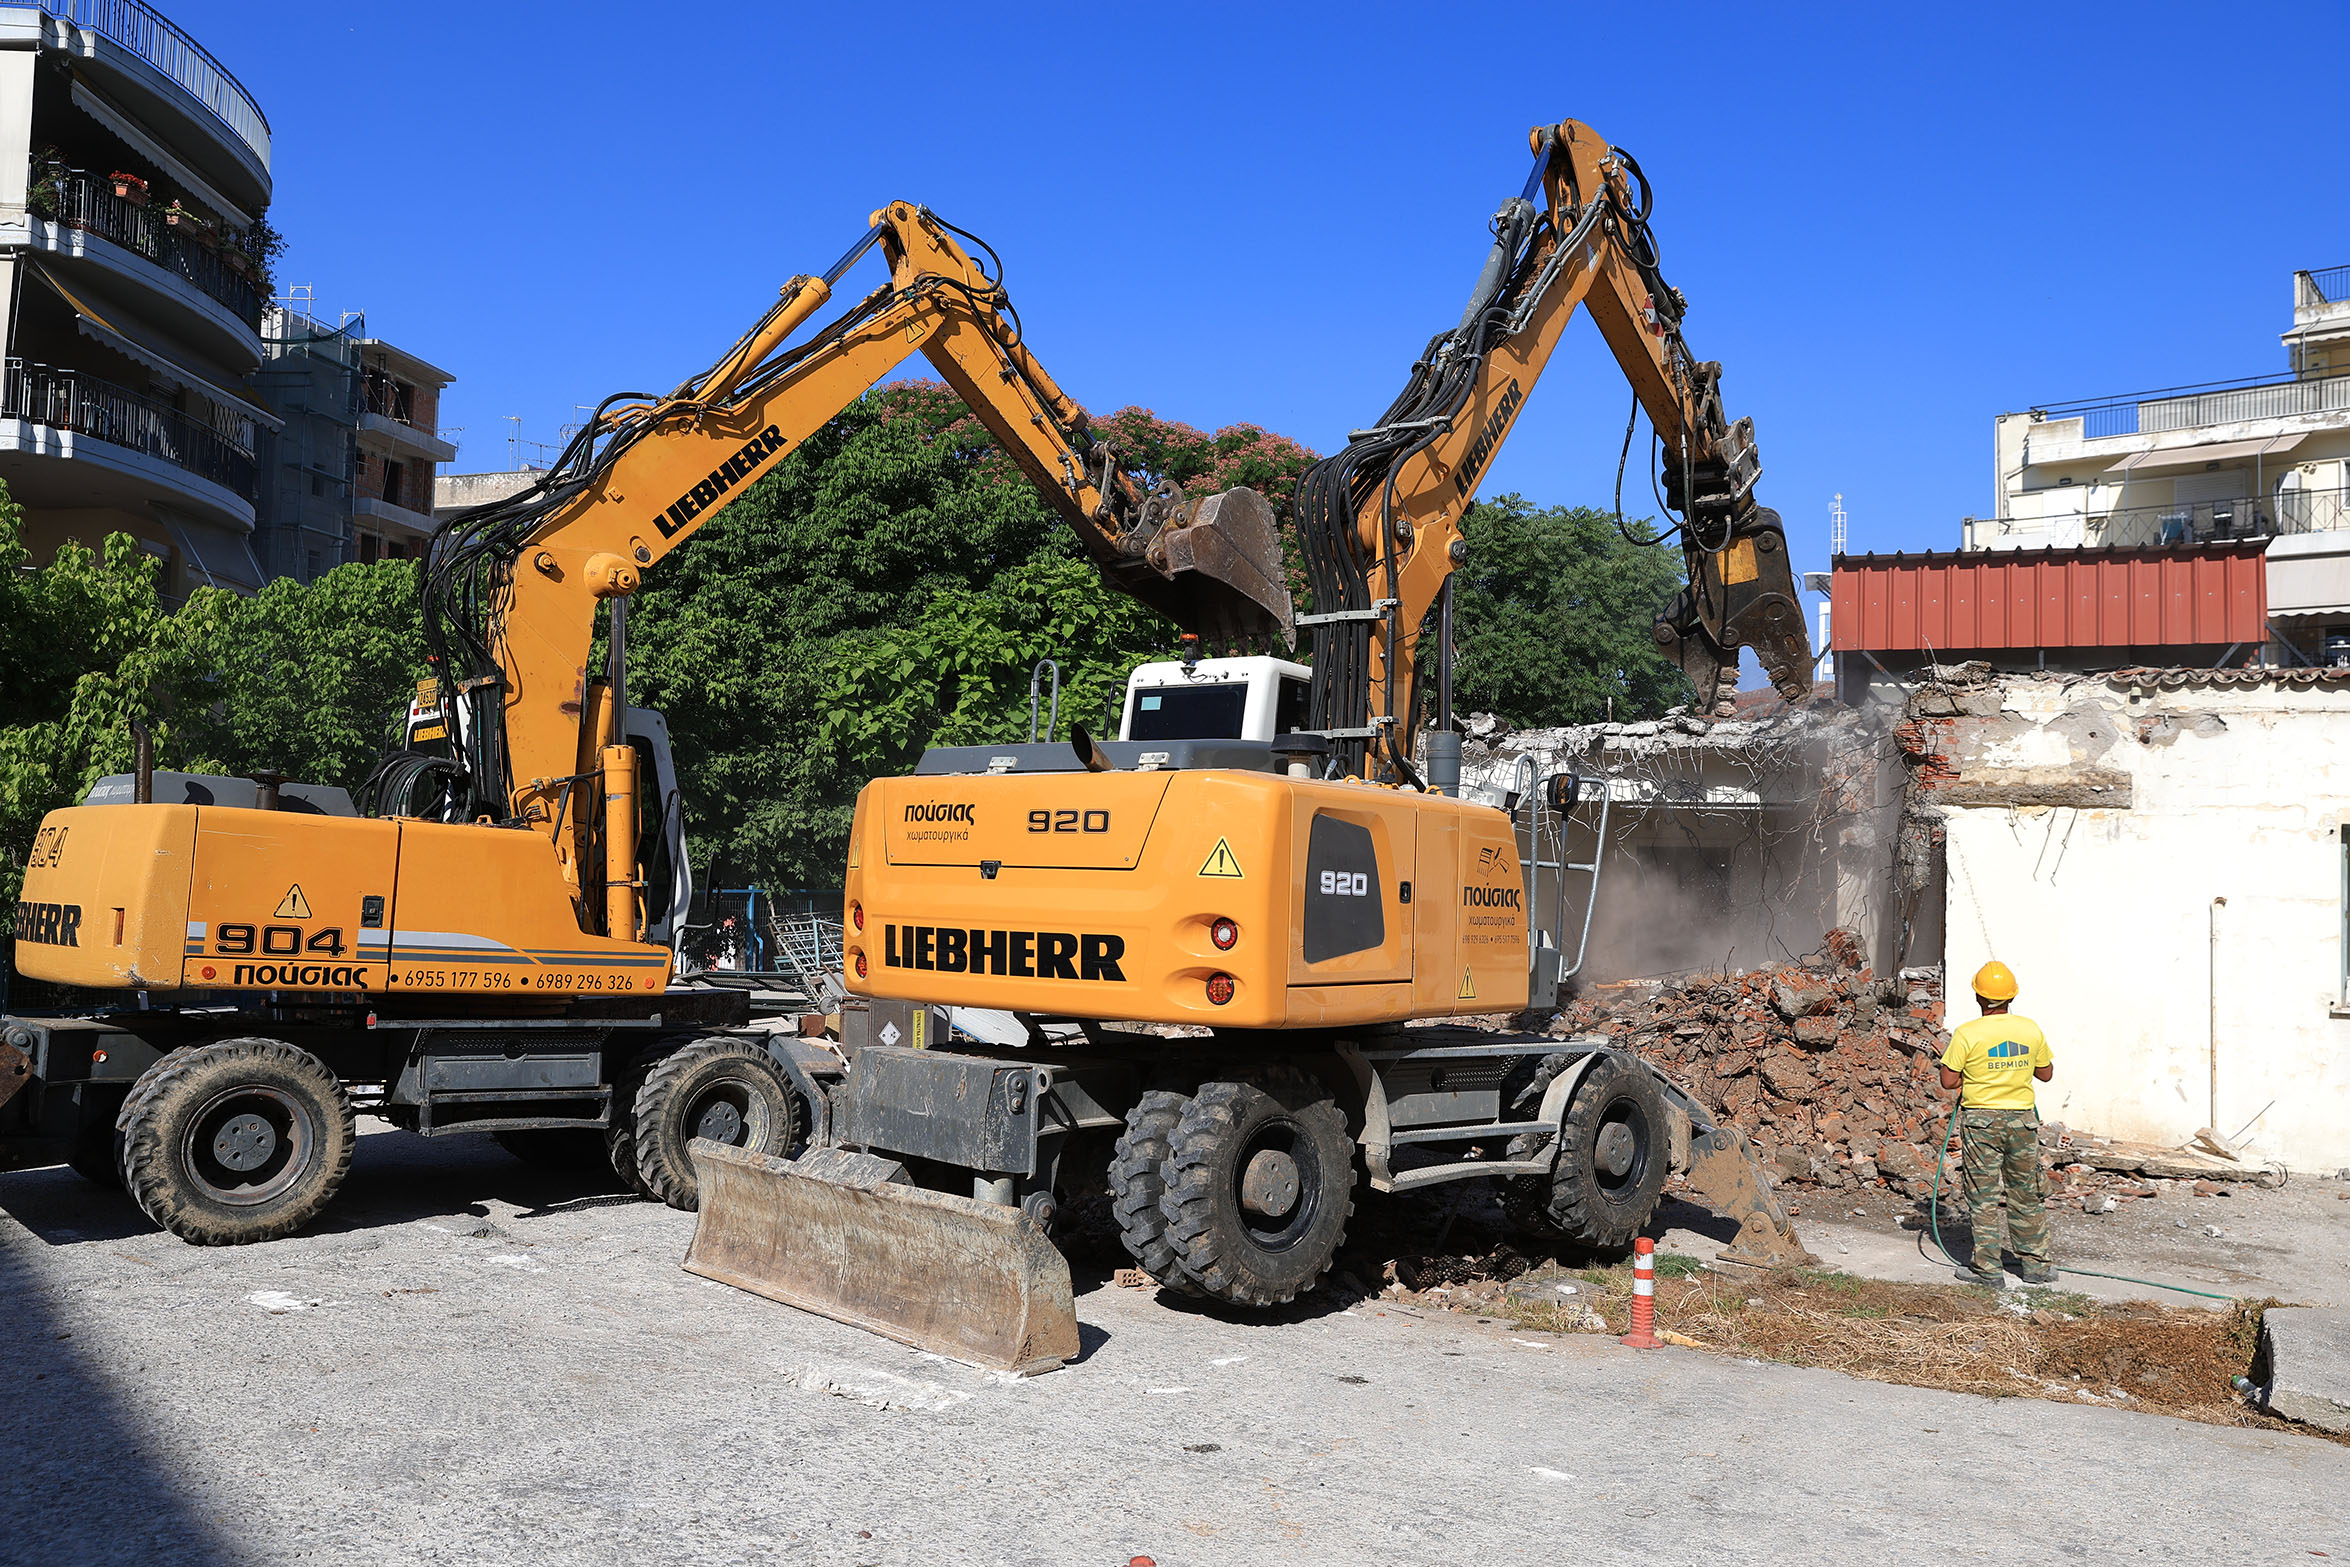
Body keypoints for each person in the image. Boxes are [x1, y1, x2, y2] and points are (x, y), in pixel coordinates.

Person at [1938, 960, 2055, 1286]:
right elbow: (2046, 1074)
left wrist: (1978, 1075)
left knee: (1983, 1195)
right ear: (2012, 996)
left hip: (1982, 1124)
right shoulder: (2030, 1029)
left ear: (1978, 996)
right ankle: (2036, 1266)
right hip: (2021, 1123)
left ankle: (1987, 1270)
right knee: (2026, 1192)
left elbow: (1948, 1081)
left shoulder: (1967, 1033)